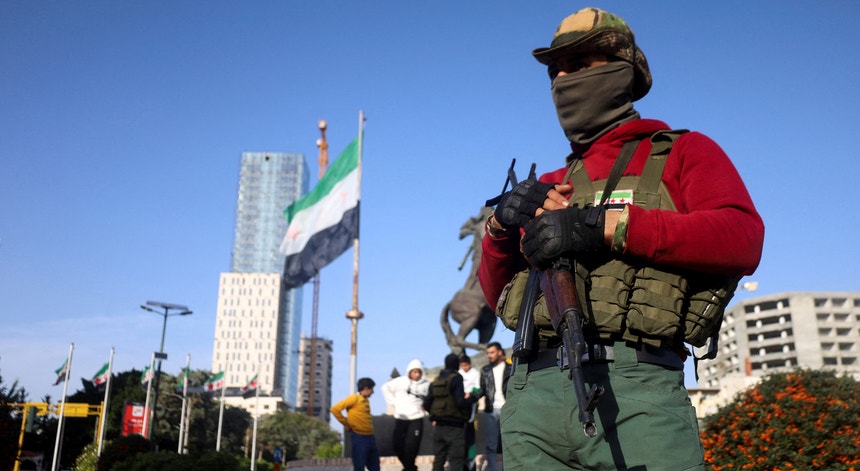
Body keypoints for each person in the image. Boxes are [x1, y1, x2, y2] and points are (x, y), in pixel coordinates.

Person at [478, 7, 764, 471]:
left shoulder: (682, 152)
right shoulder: (550, 183)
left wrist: (606, 226)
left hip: (638, 389)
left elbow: (741, 237)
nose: (562, 81)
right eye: (555, 71)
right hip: (533, 397)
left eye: (578, 64)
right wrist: (499, 228)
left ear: (622, 70)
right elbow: (500, 298)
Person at [423, 353, 478, 471]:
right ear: (457, 365)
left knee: (439, 459)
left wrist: (436, 416)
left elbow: (427, 404)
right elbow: (460, 402)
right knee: (456, 460)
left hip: (438, 426)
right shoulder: (456, 378)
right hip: (455, 427)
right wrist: (473, 398)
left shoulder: (436, 381)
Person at [381, 359, 430, 471]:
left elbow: (432, 398)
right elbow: (385, 388)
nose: (417, 375)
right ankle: (410, 468)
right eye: (414, 372)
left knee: (412, 447)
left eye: (419, 372)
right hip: (401, 417)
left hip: (417, 418)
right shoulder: (400, 381)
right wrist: (393, 403)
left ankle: (409, 468)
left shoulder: (426, 385)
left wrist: (426, 408)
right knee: (397, 445)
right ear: (409, 372)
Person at [331, 378, 381, 471]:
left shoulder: (366, 401)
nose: (373, 392)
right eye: (372, 389)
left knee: (375, 466)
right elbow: (335, 409)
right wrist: (345, 424)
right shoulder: (354, 398)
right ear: (366, 388)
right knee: (359, 466)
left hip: (370, 437)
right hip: (359, 437)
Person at [478, 342, 511, 471]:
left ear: (499, 352)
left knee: (508, 443)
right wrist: (471, 396)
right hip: (491, 410)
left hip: (507, 409)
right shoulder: (485, 370)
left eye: (492, 352)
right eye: (488, 353)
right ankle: (491, 468)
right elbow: (482, 389)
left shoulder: (510, 368)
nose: (489, 355)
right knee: (491, 444)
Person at [458, 355, 481, 470]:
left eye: (466, 365)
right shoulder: (459, 374)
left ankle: (471, 462)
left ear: (470, 364)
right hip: (460, 406)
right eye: (462, 365)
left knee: (471, 435)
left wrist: (470, 394)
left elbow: (478, 388)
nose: (464, 367)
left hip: (471, 405)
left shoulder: (475, 373)